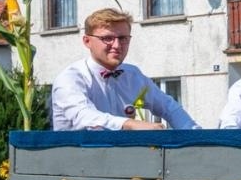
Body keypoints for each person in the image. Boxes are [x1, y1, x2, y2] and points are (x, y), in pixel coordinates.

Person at [50, 8, 199, 131]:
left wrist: (195, 135)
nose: (116, 45)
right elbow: (83, 116)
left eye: (123, 38)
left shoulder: (133, 75)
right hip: (77, 162)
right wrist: (130, 124)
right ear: (87, 41)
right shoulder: (70, 78)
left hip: (121, 160)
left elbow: (168, 106)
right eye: (107, 38)